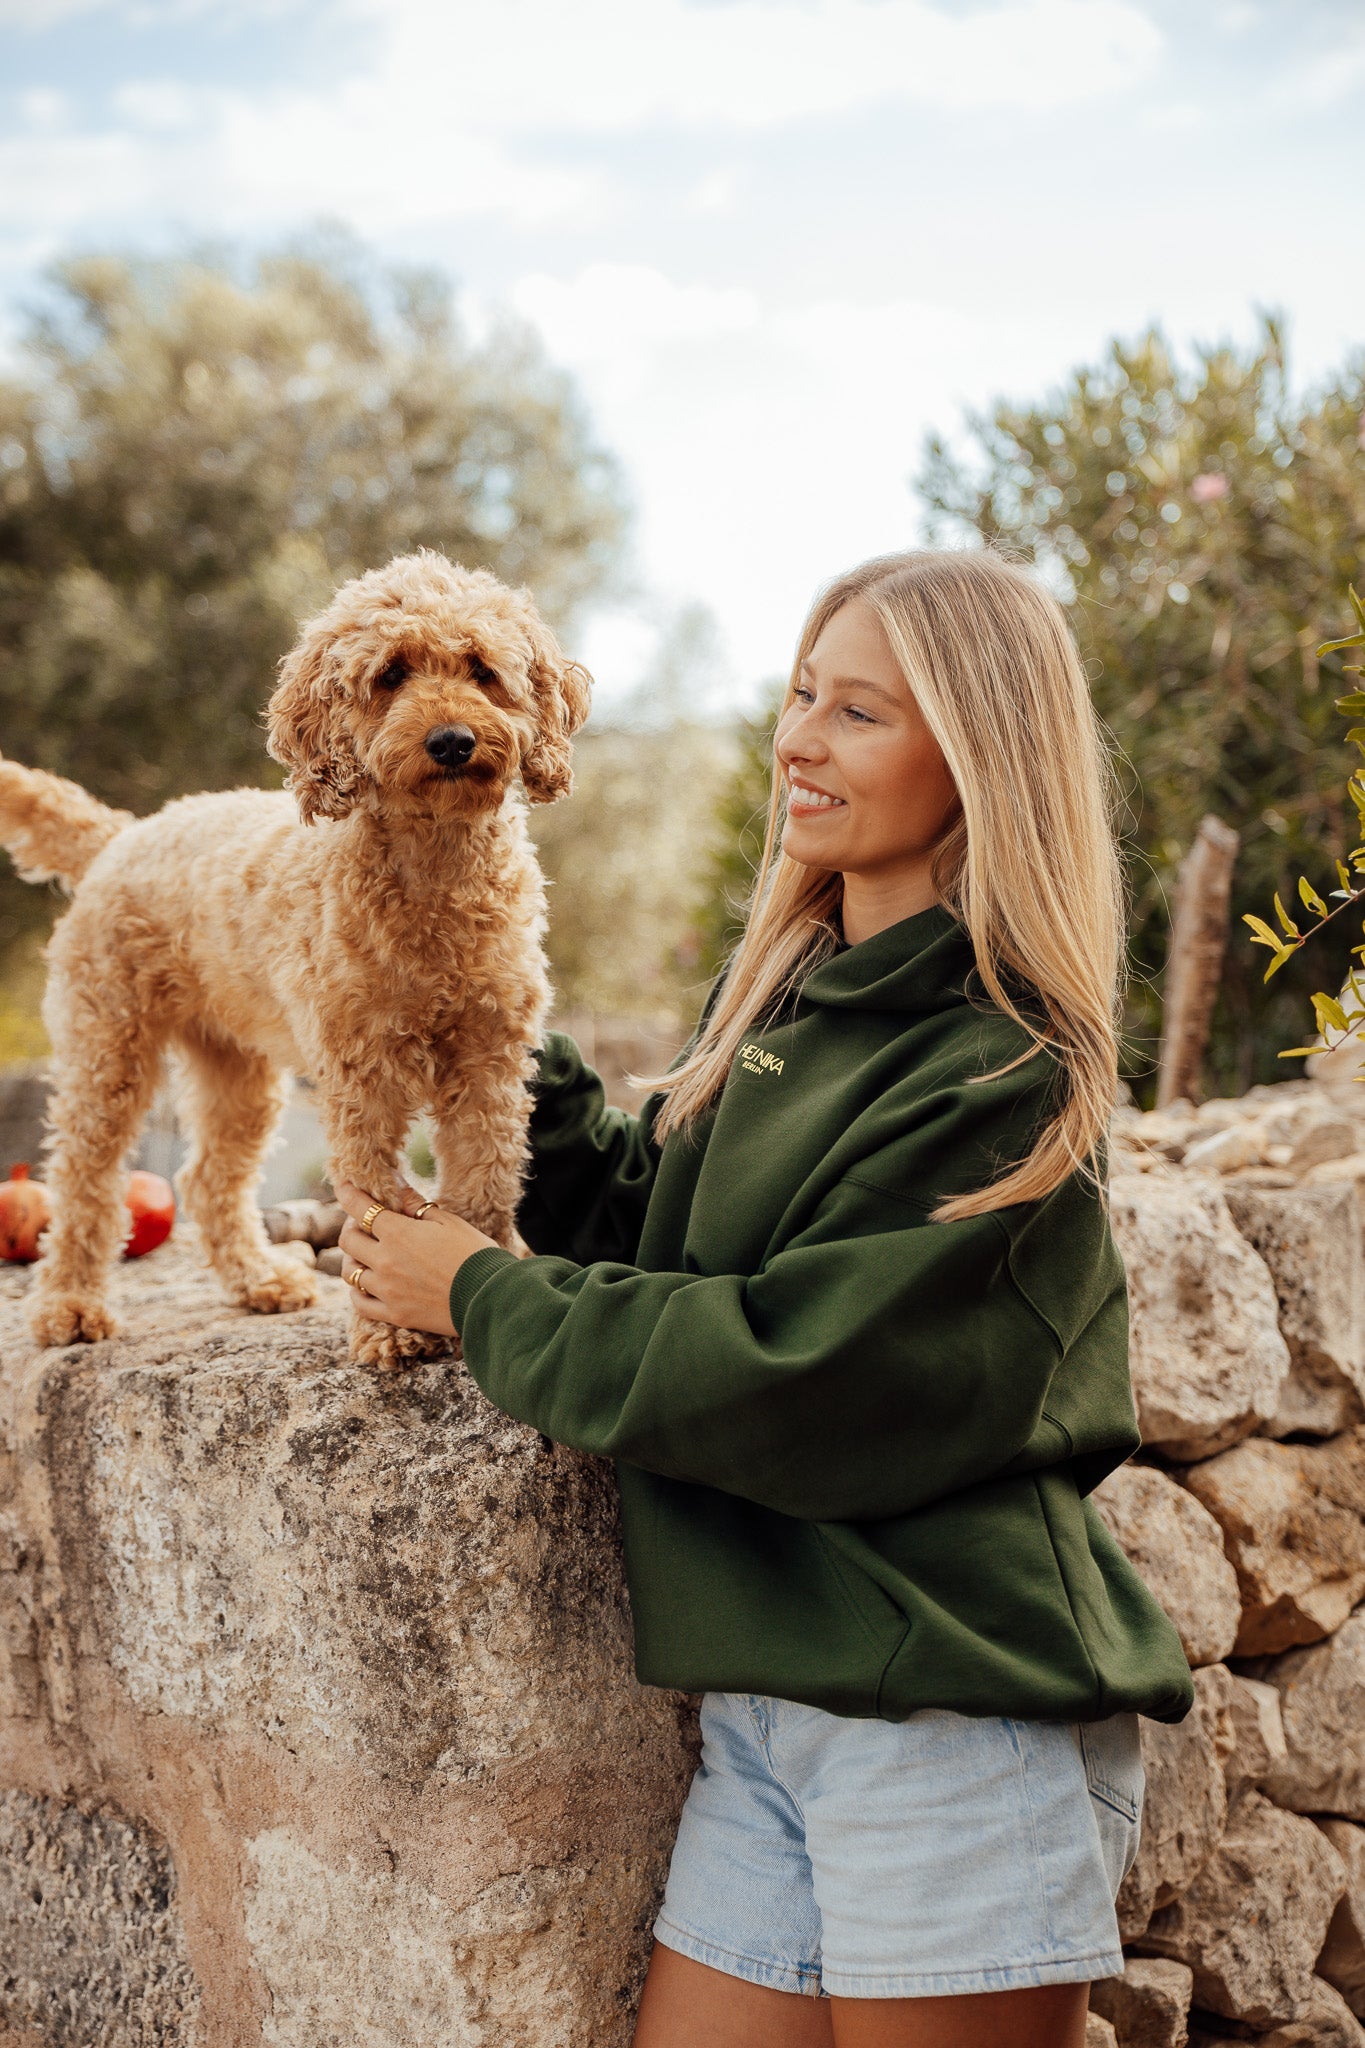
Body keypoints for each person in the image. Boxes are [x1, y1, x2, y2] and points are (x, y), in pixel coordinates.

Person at [334, 548, 1194, 2048]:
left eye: (858, 711)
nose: (798, 739)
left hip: (946, 1719)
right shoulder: (793, 1013)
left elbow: (793, 1368)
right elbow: (653, 1222)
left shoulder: (997, 1070)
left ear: (977, 756)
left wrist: (478, 1293)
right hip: (768, 1716)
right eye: (803, 695)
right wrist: (478, 1007)